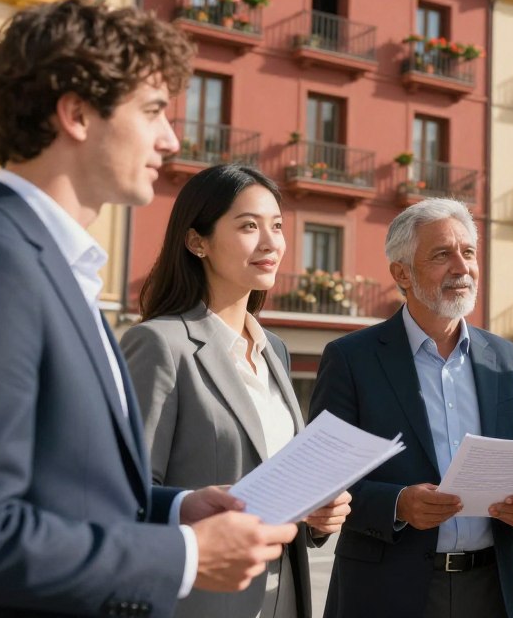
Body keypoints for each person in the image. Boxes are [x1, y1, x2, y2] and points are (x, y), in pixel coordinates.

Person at [0, 0, 297, 617]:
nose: (170, 139)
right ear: (77, 114)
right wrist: (185, 556)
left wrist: (173, 508)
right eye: (151, 112)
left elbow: (69, 496)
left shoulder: (56, 271)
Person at [121, 164, 352, 618]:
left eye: (278, 226)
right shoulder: (159, 344)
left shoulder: (275, 351)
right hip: (198, 604)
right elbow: (125, 492)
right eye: (249, 226)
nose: (271, 243)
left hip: (283, 598)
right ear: (197, 241)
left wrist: (317, 514)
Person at [308, 198, 513, 618]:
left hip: (491, 590)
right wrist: (398, 504)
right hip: (386, 592)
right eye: (443, 254)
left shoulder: (507, 359)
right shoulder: (352, 358)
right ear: (401, 273)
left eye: (469, 252)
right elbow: (320, 481)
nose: (462, 267)